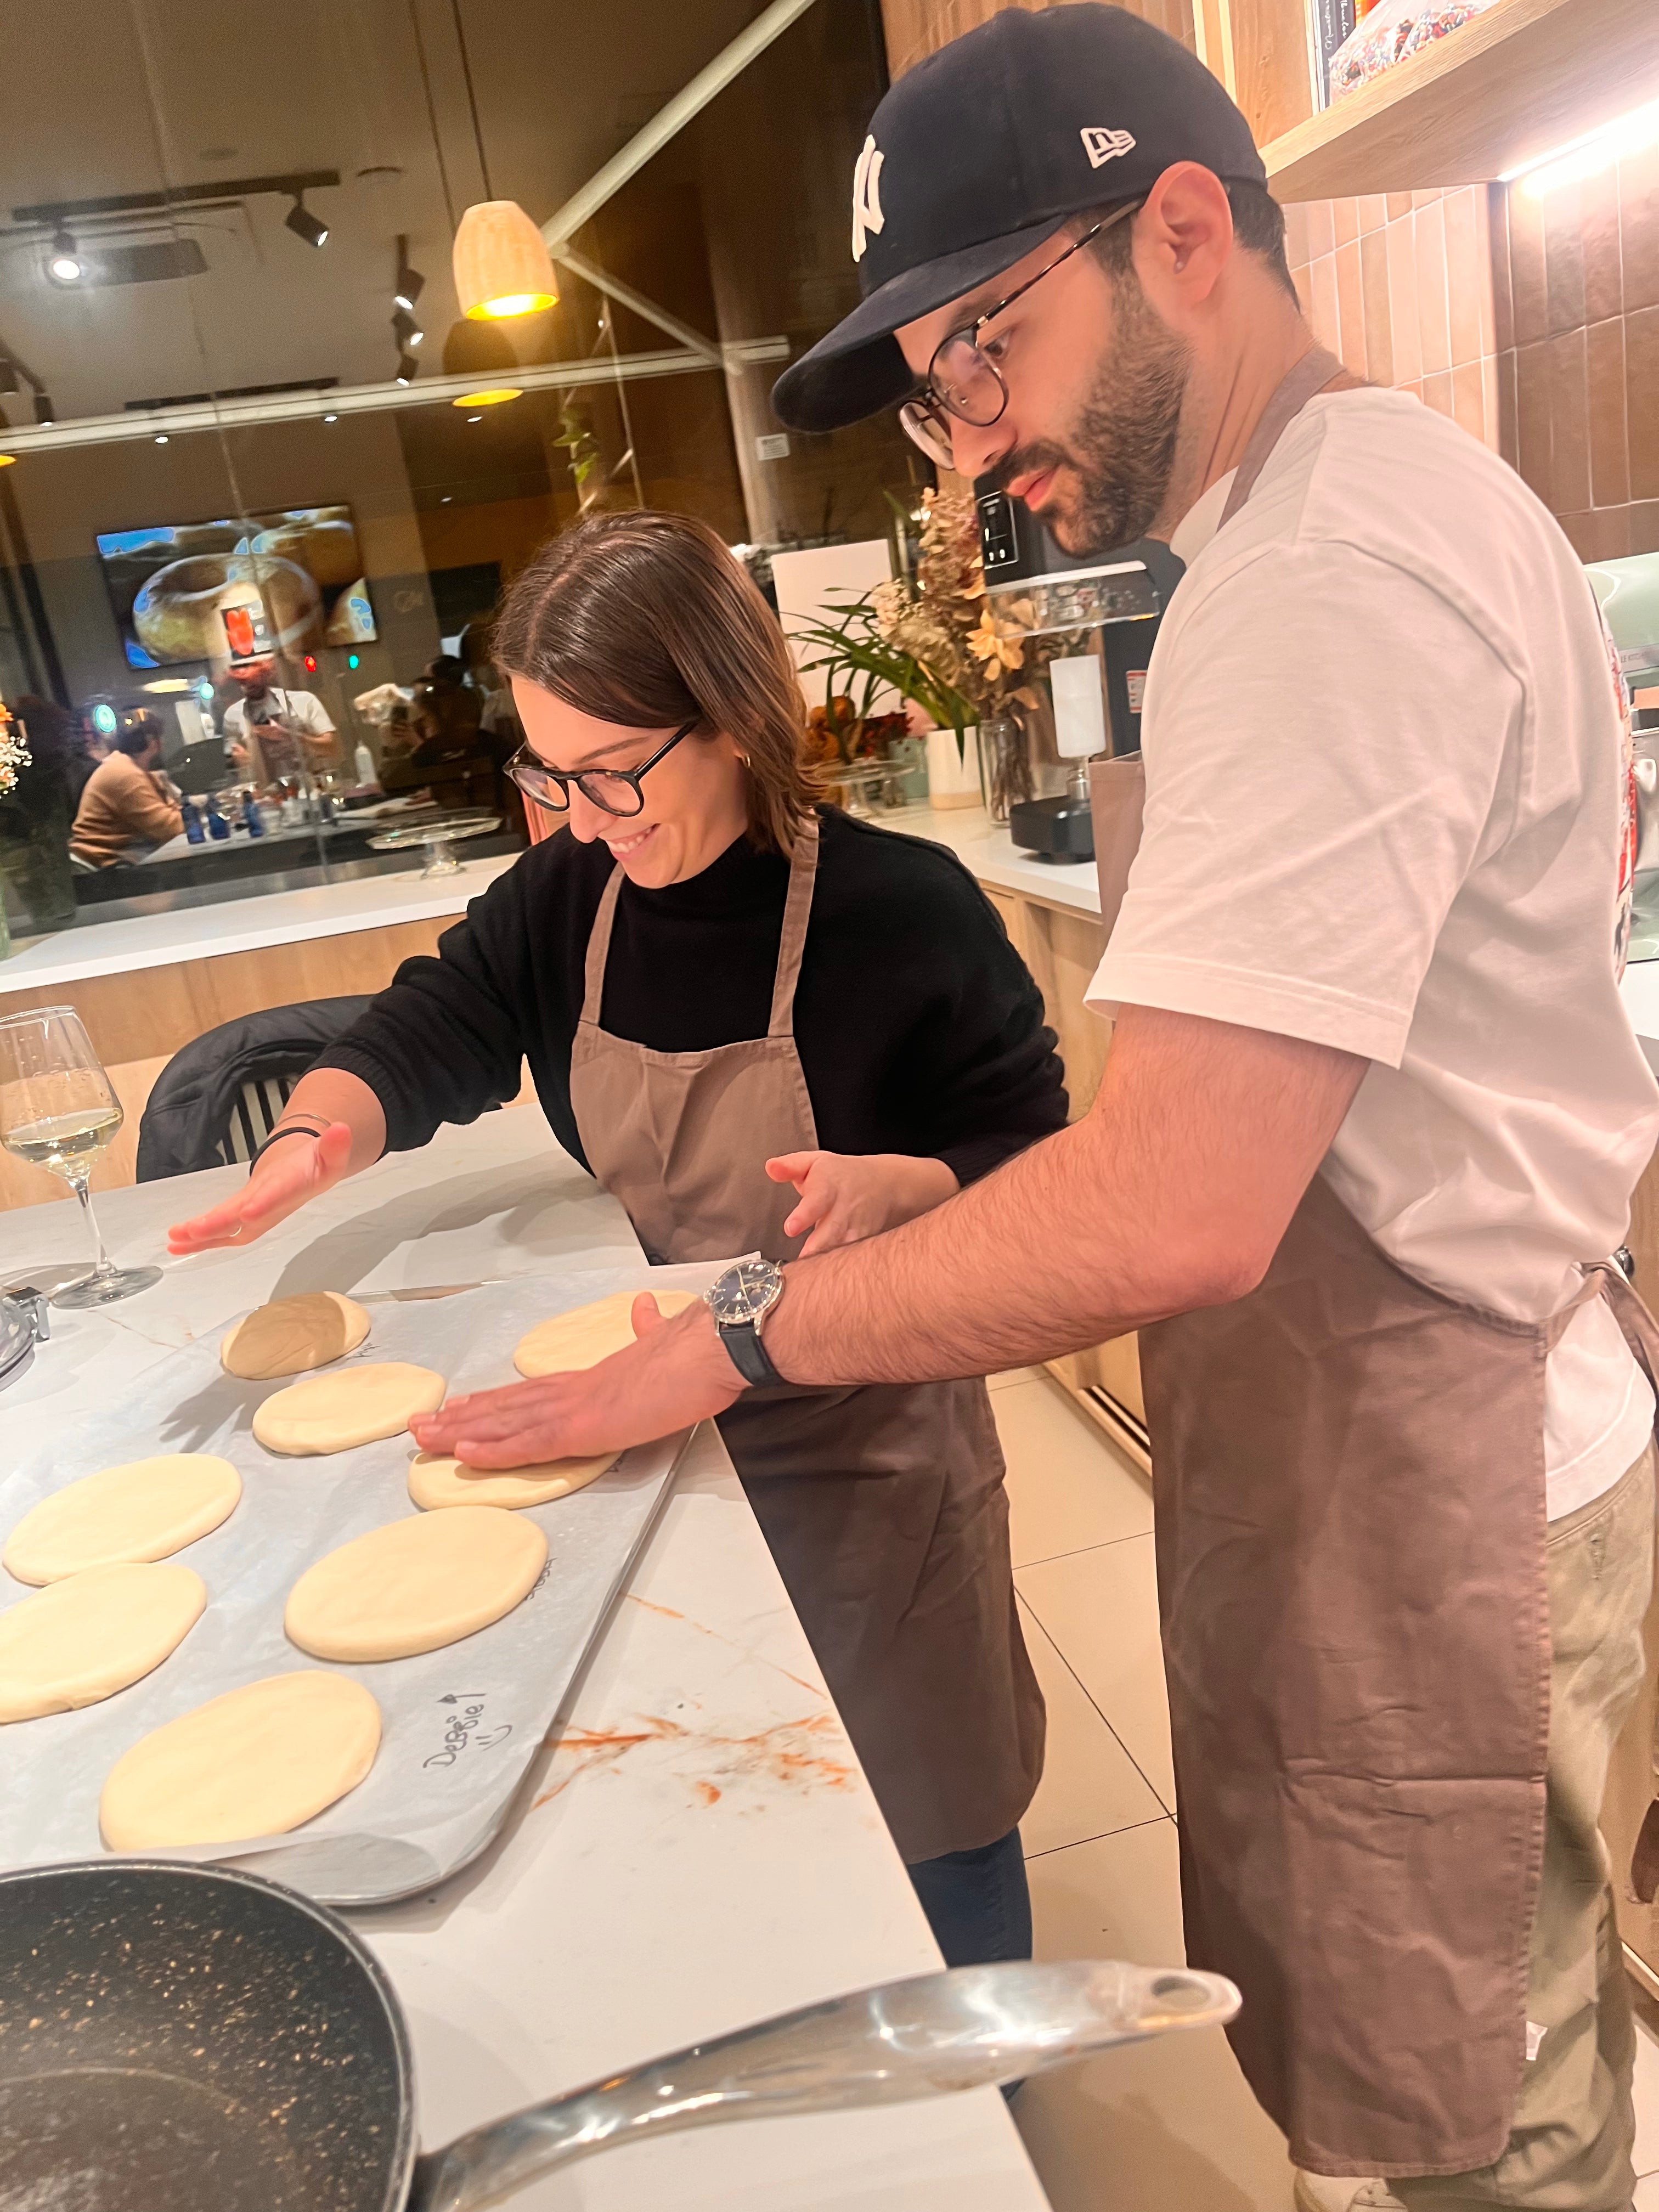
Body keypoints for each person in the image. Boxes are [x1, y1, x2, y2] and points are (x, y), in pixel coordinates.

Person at [393, 13, 1659, 2211]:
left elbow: (1178, 1205)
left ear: (1185, 234)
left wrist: (748, 1336)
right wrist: (955, 1192)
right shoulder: (1325, 520)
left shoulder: (1327, 573)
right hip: (1379, 1436)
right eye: (933, 387)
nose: (967, 444)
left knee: (1479, 2130)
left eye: (990, 346)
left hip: (1441, 1479)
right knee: (1398, 2083)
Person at [167, 507, 1069, 1969]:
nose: (583, 818)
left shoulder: (905, 916)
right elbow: (430, 1024)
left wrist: (912, 1183)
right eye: (550, 775)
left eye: (613, 773)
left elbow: (1037, 1154)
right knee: (705, 1804)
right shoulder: (568, 900)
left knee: (929, 1812)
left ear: (728, 713)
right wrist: (307, 1142)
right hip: (636, 1429)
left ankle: (983, 2094)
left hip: (864, 1457)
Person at [69, 713, 182, 866]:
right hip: (108, 865)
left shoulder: (125, 768)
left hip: (118, 858)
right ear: (155, 744)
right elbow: (171, 829)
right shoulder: (124, 774)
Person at [221, 654, 336, 786]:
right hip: (268, 794)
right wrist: (246, 760)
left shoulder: (304, 701)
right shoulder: (233, 715)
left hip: (314, 786)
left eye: (253, 682)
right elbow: (237, 763)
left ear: (267, 675)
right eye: (242, 683)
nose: (246, 688)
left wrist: (293, 738)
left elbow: (331, 748)